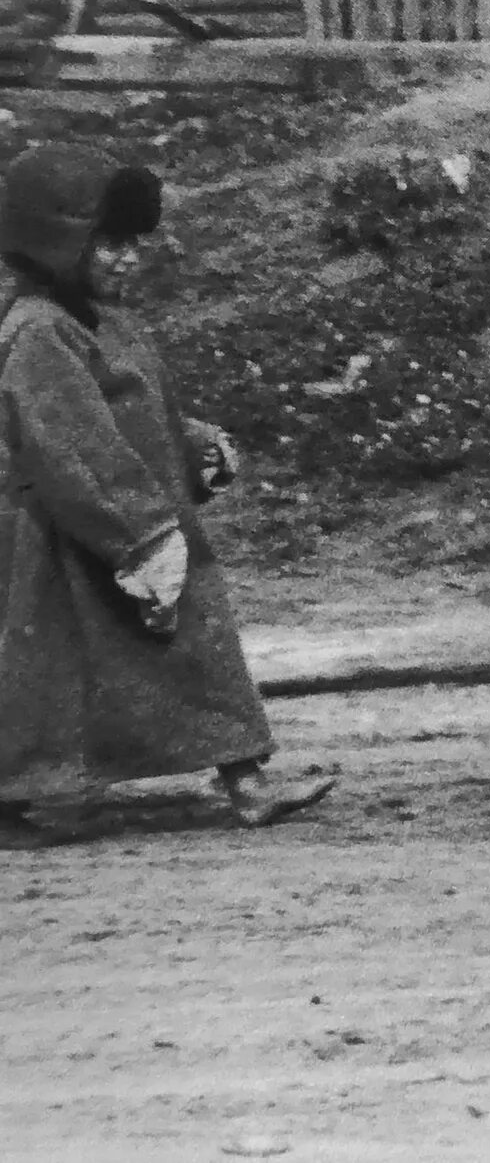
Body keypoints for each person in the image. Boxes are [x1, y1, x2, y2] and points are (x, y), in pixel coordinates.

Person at [0, 142, 334, 832]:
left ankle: (246, 779)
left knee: (199, 649)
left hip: (136, 512)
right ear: (55, 241)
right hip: (79, 532)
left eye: (133, 245)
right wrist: (140, 531)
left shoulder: (106, 321)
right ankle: (43, 791)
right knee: (60, 671)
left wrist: (195, 444)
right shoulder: (38, 332)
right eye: (108, 244)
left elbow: (140, 409)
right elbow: (71, 442)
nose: (127, 259)